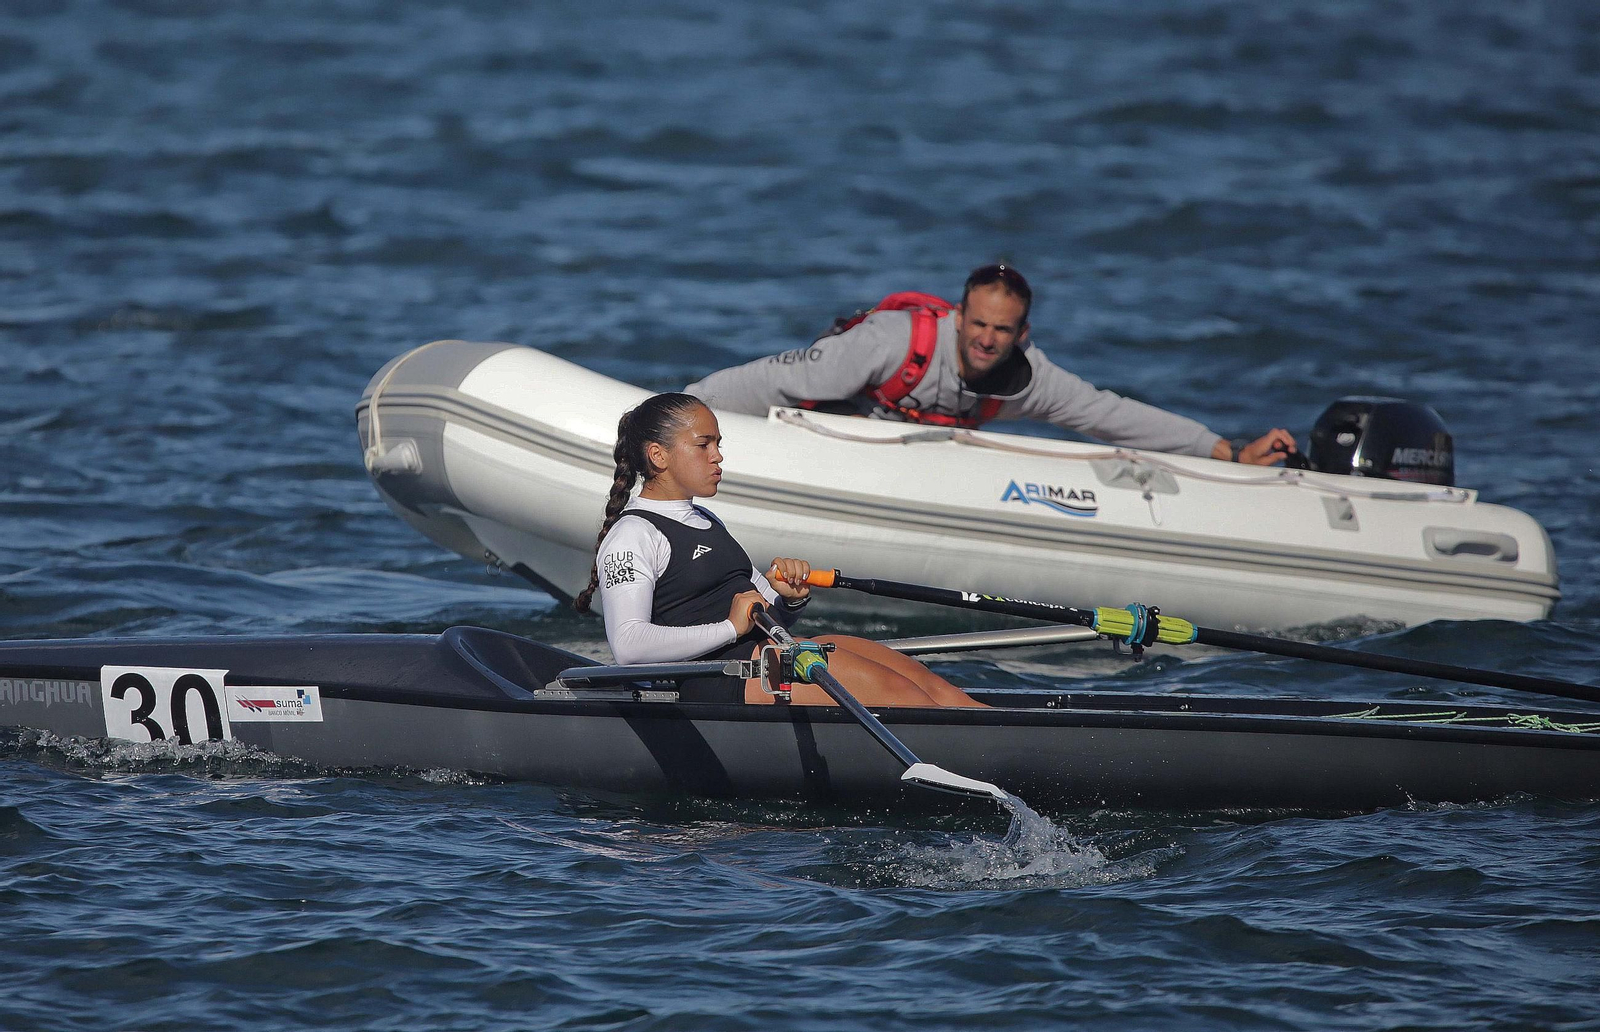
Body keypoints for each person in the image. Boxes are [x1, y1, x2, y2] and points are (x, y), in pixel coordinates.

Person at [573, 392, 981, 708]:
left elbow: (762, 612)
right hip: (717, 681)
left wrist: (784, 595)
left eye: (718, 443)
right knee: (899, 695)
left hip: (763, 659)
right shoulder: (633, 536)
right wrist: (729, 629)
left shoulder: (707, 521)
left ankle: (1008, 737)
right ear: (658, 456)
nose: (718, 456)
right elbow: (629, 647)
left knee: (931, 687)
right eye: (703, 445)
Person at [685, 263, 1297, 465]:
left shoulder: (1026, 375)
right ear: (958, 316)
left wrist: (1228, 452)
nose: (986, 340)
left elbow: (1111, 416)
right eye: (977, 324)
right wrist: (682, 411)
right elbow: (774, 375)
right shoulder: (890, 342)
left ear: (1020, 333)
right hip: (828, 433)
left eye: (1001, 331)